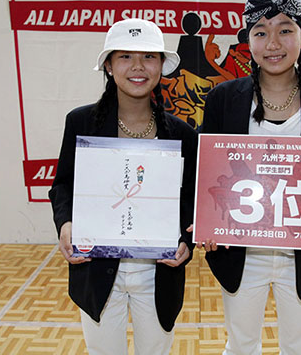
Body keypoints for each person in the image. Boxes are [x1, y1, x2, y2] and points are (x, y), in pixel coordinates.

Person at [198, 0, 301, 355]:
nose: (273, 43)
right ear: (248, 41)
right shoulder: (223, 99)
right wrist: (205, 222)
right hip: (241, 251)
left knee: (299, 347)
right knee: (241, 346)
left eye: (285, 30)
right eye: (260, 32)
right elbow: (207, 172)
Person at [49, 18, 197, 355]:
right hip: (96, 268)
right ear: (109, 65)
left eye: (149, 57)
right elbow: (63, 185)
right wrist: (66, 223)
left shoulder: (183, 134)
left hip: (159, 273)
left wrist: (187, 242)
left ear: (162, 65)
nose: (138, 67)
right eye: (125, 56)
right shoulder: (81, 122)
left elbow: (190, 200)